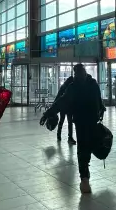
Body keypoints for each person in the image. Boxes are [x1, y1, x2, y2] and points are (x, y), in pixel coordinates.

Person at [40, 64, 104, 193]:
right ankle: (85, 176)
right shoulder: (91, 85)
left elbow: (62, 101)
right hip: (88, 121)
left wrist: (48, 113)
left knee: (83, 148)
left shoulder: (75, 86)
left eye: (77, 73)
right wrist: (48, 113)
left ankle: (84, 178)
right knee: (85, 147)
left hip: (83, 121)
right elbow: (99, 102)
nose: (77, 76)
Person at [54, 75, 75, 144]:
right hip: (69, 107)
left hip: (63, 107)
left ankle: (59, 134)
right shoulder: (70, 87)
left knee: (62, 121)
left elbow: (58, 97)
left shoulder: (63, 86)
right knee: (69, 122)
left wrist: (54, 105)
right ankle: (70, 137)